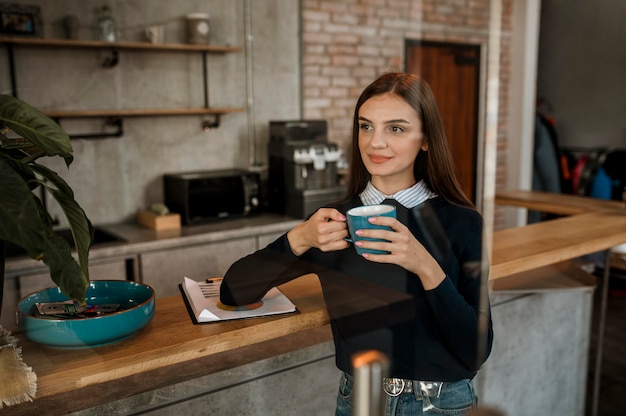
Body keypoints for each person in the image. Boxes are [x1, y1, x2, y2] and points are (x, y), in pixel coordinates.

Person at [220, 72, 493, 415]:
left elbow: (476, 349)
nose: (375, 142)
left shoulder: (462, 222)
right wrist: (300, 237)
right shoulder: (332, 222)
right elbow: (234, 291)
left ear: (425, 139)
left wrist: (424, 264)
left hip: (440, 404)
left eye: (395, 128)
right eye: (366, 127)